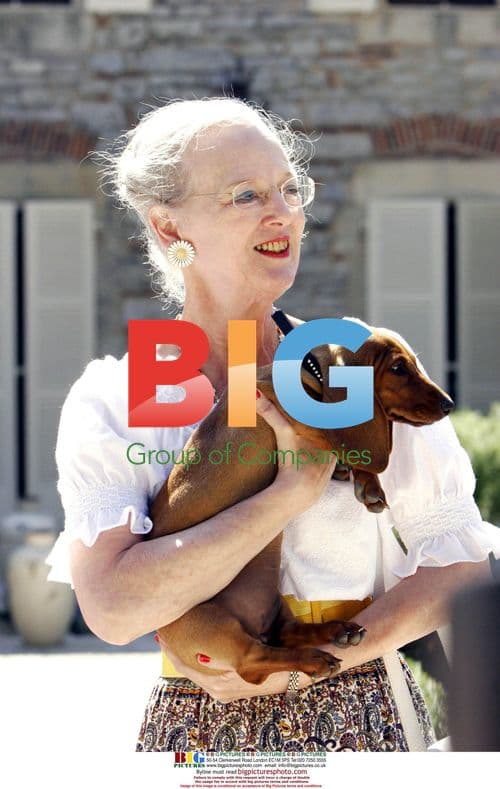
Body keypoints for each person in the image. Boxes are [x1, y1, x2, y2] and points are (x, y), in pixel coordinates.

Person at [47, 97, 500, 752]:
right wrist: (288, 493)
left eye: (291, 188)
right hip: (198, 732)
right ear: (171, 229)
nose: (282, 210)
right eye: (245, 194)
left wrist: (316, 660)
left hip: (362, 718)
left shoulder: (355, 368)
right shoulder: (115, 397)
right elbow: (115, 607)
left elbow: (462, 567)